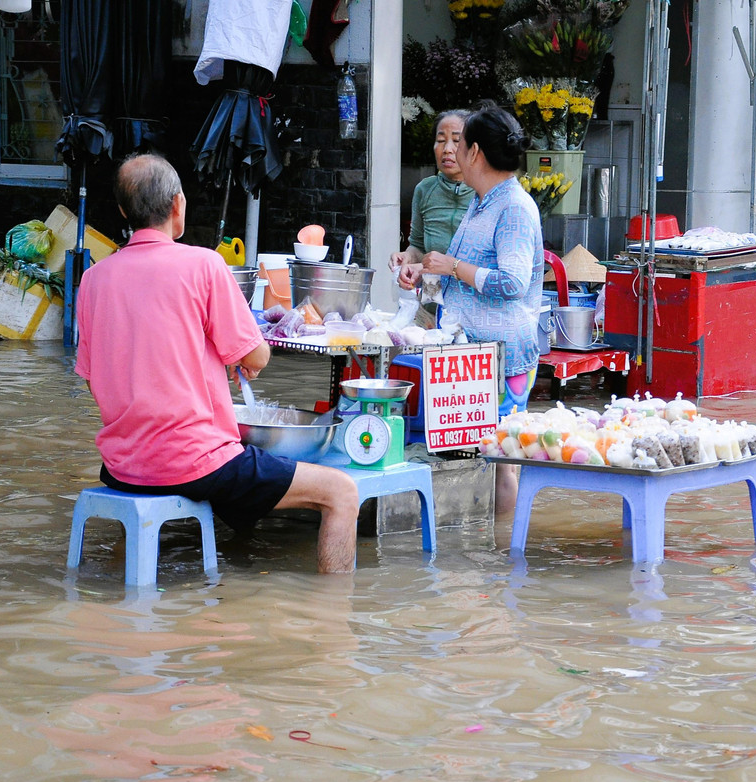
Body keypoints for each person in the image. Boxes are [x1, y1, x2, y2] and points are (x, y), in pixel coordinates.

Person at [75, 153, 358, 574]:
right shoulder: (203, 264)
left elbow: (95, 378)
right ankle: (334, 616)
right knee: (341, 492)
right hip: (194, 464)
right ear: (177, 205)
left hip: (120, 466)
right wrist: (244, 357)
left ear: (123, 212)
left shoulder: (94, 279)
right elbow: (256, 355)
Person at [399, 104, 544, 512]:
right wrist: (424, 272)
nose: (453, 151)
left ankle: (505, 561)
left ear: (475, 152)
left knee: (501, 463)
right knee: (471, 458)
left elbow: (513, 283)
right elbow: (464, 276)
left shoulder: (513, 207)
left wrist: (454, 267)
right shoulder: (483, 202)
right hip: (468, 354)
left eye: (459, 143)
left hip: (501, 358)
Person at [389, 110, 474, 269]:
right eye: (440, 140)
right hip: (433, 290)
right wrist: (408, 256)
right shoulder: (425, 189)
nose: (447, 149)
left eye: (456, 140)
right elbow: (418, 246)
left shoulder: (485, 192)